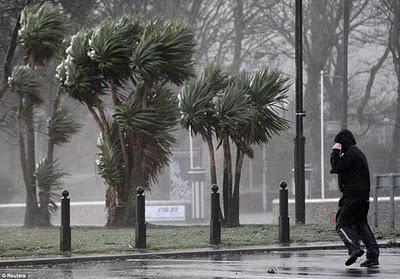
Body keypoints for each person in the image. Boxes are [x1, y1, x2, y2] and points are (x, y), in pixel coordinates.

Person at [330, 129, 379, 267]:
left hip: (353, 196)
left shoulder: (350, 153)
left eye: (338, 143)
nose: (337, 146)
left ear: (342, 142)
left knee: (341, 225)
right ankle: (373, 256)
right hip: (363, 196)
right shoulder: (357, 153)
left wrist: (334, 152)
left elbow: (337, 166)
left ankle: (354, 248)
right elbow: (340, 168)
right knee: (360, 225)